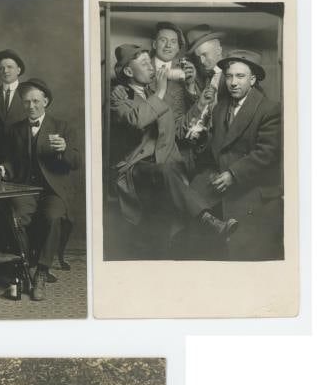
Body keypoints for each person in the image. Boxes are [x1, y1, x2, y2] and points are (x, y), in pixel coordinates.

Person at [162, 49, 282, 258]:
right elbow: (213, 151)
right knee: (181, 231)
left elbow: (268, 153)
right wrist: (200, 142)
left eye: (240, 76)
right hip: (216, 177)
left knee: (240, 248)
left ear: (252, 80)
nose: (233, 82)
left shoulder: (270, 109)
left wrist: (233, 174)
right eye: (229, 76)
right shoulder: (220, 108)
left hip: (250, 185)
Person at [0, 79, 81, 298]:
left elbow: (76, 162)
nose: (31, 106)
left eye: (36, 101)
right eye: (26, 102)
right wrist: (2, 169)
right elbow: (10, 161)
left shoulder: (63, 127)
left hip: (53, 190)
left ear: (45, 101)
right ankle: (26, 267)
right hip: (26, 189)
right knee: (15, 218)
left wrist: (64, 150)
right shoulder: (15, 130)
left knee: (52, 217)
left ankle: (42, 272)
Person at [109, 44, 186, 231]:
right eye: (144, 64)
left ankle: (205, 219)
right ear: (128, 71)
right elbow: (136, 120)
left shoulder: (155, 95)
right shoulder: (118, 97)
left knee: (169, 216)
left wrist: (202, 103)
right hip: (137, 167)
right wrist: (160, 92)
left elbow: (174, 129)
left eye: (150, 63)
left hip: (165, 165)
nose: (152, 68)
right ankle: (206, 219)